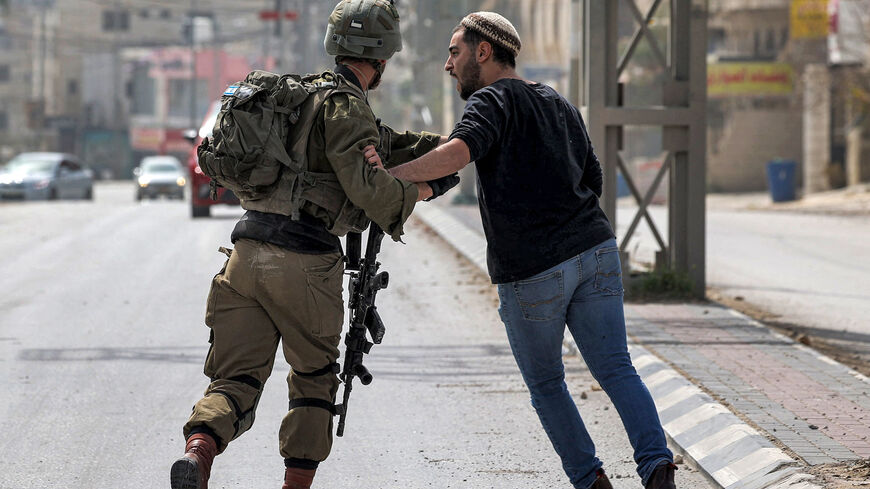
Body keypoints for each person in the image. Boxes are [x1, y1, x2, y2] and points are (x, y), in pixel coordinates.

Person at [384, 12, 677, 489]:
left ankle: (590, 480)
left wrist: (388, 178)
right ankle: (658, 468)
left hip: (533, 271)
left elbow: (459, 153)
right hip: (595, 251)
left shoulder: (491, 101)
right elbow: (594, 178)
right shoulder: (558, 102)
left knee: (547, 384)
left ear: (483, 52)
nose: (447, 65)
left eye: (455, 52)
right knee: (617, 368)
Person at [169, 2, 456, 488]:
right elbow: (371, 193)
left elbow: (391, 143)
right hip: (304, 261)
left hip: (245, 254)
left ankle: (198, 453)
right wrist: (427, 188)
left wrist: (453, 146)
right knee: (314, 381)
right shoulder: (347, 108)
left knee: (234, 381)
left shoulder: (299, 98)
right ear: (382, 57)